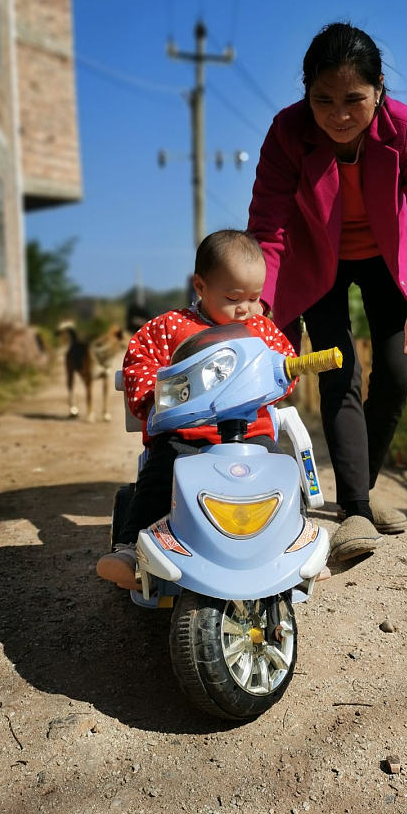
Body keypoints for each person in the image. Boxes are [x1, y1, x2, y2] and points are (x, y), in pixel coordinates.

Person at [247, 22, 407, 564]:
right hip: (314, 260)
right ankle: (357, 509)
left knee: (396, 371)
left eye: (354, 100)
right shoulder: (286, 133)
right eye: (323, 100)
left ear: (379, 89)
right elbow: (268, 231)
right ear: (305, 92)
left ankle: (355, 492)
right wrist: (260, 310)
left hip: (390, 262)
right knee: (341, 369)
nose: (339, 115)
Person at [96, 229, 299, 592]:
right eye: (234, 297)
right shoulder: (170, 327)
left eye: (254, 297)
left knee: (281, 473)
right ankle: (131, 549)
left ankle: (293, 545)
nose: (246, 308)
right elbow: (140, 361)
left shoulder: (261, 329)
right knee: (161, 476)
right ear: (201, 286)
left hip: (250, 432)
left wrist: (285, 371)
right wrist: (149, 396)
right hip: (188, 433)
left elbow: (285, 363)